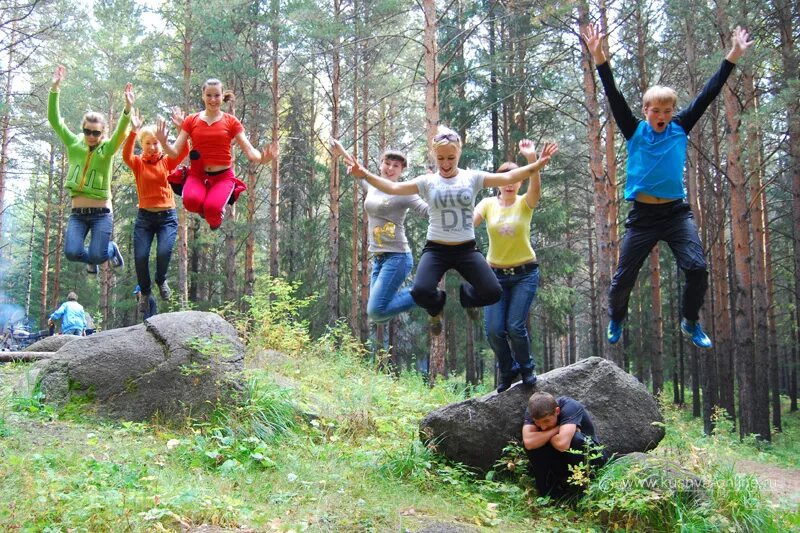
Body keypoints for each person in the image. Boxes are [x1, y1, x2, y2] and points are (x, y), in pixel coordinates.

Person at [582, 25, 753, 349]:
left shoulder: (680, 128)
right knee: (622, 280)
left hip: (676, 214)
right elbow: (613, 94)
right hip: (643, 216)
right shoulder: (634, 130)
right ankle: (617, 316)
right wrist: (599, 56)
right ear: (645, 112)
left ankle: (690, 320)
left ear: (673, 112)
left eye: (666, 110)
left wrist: (733, 54)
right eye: (655, 110)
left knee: (697, 268)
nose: (661, 115)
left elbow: (710, 92)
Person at [348, 127, 557, 335]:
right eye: (440, 158)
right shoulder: (427, 181)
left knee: (493, 292)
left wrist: (536, 164)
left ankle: (467, 297)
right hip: (436, 250)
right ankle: (437, 303)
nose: (446, 164)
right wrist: (364, 173)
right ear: (434, 156)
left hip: (466, 249)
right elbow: (392, 188)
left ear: (459, 153)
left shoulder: (472, 177)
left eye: (451, 157)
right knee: (420, 292)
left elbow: (509, 176)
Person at [156, 78, 278, 230]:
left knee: (212, 210)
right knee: (191, 202)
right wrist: (164, 143)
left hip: (223, 177)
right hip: (197, 174)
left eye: (216, 95)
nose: (213, 99)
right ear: (203, 96)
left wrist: (262, 158)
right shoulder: (191, 120)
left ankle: (215, 217)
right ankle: (204, 206)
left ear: (222, 96)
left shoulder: (231, 121)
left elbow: (250, 150)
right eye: (209, 95)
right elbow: (174, 153)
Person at [474, 139, 544, 392]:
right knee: (493, 330)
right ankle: (508, 369)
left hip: (525, 274)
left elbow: (536, 187)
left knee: (515, 326)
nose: (510, 182)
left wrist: (531, 159)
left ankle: (526, 368)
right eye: (505, 177)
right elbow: (468, 224)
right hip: (494, 276)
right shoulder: (487, 204)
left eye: (516, 177)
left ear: (521, 181)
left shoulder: (525, 202)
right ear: (497, 182)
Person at [332, 140, 428, 323]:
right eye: (387, 163)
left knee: (376, 311)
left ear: (402, 170)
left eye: (396, 166)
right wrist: (341, 151)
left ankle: (426, 293)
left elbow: (426, 211)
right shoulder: (373, 186)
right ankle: (424, 293)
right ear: (381, 164)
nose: (390, 168)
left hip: (397, 257)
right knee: (379, 316)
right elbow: (358, 170)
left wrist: (436, 190)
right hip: (378, 258)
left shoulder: (404, 191)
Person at [48, 65, 132, 273]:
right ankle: (95, 257)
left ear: (102, 133)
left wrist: (127, 110)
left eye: (95, 133)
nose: (90, 136)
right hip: (77, 214)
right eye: (87, 131)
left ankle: (110, 249)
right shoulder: (74, 143)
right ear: (82, 129)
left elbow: (121, 133)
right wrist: (54, 90)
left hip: (101, 214)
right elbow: (54, 121)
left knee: (97, 254)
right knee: (71, 252)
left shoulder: (107, 150)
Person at [123, 108, 189, 313]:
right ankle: (145, 291)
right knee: (140, 256)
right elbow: (125, 154)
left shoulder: (167, 160)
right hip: (145, 217)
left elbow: (184, 149)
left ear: (160, 143)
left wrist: (181, 127)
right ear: (141, 145)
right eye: (148, 143)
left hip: (167, 217)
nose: (152, 147)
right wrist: (133, 131)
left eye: (155, 143)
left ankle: (161, 281)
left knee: (164, 252)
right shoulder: (137, 163)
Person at [522, 392, 606, 501]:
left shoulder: (570, 406)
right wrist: (558, 429)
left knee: (575, 439)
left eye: (547, 421)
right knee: (534, 446)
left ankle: (582, 493)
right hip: (562, 461)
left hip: (591, 459)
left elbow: (562, 444)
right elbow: (529, 442)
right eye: (537, 423)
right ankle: (547, 495)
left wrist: (542, 437)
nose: (543, 427)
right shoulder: (533, 411)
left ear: (557, 411)